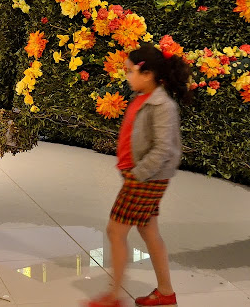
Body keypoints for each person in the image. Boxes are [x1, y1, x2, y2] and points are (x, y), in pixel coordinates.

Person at [85, 43, 191, 307]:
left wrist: (137, 175)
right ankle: (166, 293)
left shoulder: (162, 105)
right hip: (141, 176)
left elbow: (163, 148)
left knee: (115, 231)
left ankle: (113, 295)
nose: (127, 76)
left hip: (146, 178)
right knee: (149, 232)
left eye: (129, 71)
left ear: (147, 73)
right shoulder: (141, 98)